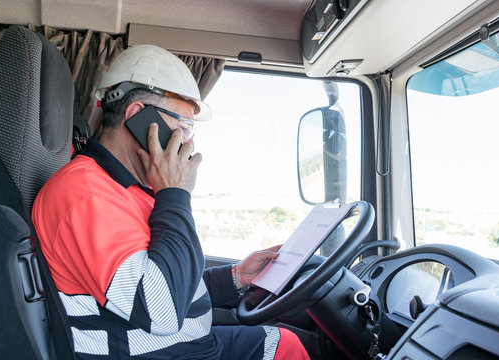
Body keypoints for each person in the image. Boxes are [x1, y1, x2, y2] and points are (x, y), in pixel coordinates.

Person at [32, 44, 310, 359]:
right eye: (184, 126)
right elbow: (159, 310)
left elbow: (158, 275)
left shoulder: (129, 188)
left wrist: (232, 279)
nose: (189, 141)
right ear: (138, 116)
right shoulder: (85, 194)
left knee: (286, 343)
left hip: (186, 347)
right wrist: (175, 193)